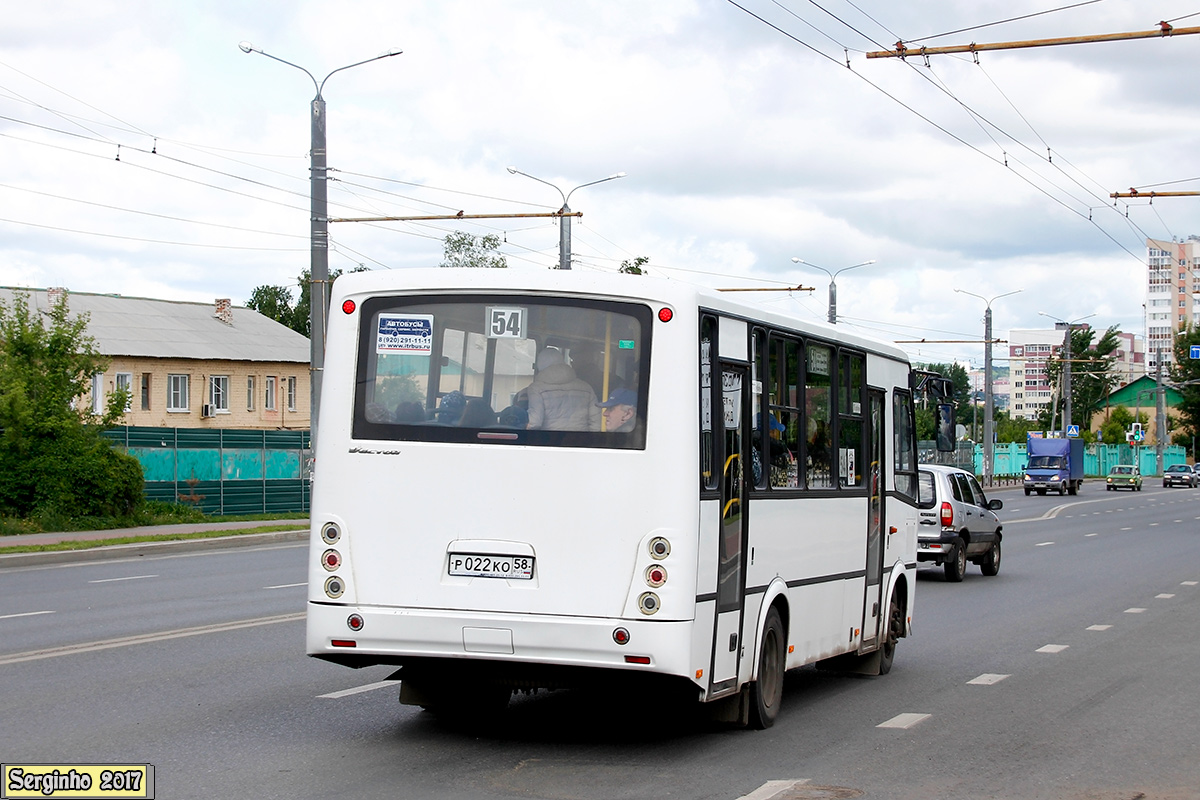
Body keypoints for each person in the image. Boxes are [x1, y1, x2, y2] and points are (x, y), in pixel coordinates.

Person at [524, 347, 601, 431]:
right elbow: (597, 422)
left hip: (549, 441)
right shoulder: (586, 387)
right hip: (580, 441)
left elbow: (534, 422)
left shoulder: (536, 388)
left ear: (539, 365)